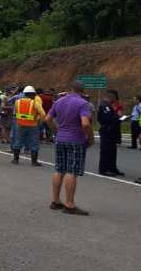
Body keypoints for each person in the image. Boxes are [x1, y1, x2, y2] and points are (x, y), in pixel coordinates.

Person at [45, 80, 93, 215]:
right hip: (76, 140)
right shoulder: (83, 104)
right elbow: (85, 124)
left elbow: (48, 118)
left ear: (70, 89)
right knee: (72, 171)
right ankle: (69, 204)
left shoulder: (59, 101)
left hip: (61, 139)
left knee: (59, 169)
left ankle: (55, 200)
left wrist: (56, 131)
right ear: (82, 91)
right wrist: (90, 137)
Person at [12, 86, 45, 166]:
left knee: (18, 142)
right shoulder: (35, 103)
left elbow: (15, 113)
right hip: (33, 125)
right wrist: (39, 121)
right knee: (34, 143)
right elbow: (43, 114)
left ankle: (15, 160)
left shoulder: (17, 102)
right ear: (32, 94)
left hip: (20, 124)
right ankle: (34, 162)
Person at [97, 89, 124, 176]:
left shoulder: (109, 106)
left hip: (112, 131)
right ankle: (104, 169)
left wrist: (119, 118)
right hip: (106, 131)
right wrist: (118, 118)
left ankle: (112, 168)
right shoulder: (105, 106)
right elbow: (107, 119)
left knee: (112, 151)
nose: (115, 100)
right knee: (106, 151)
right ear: (111, 97)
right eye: (114, 98)